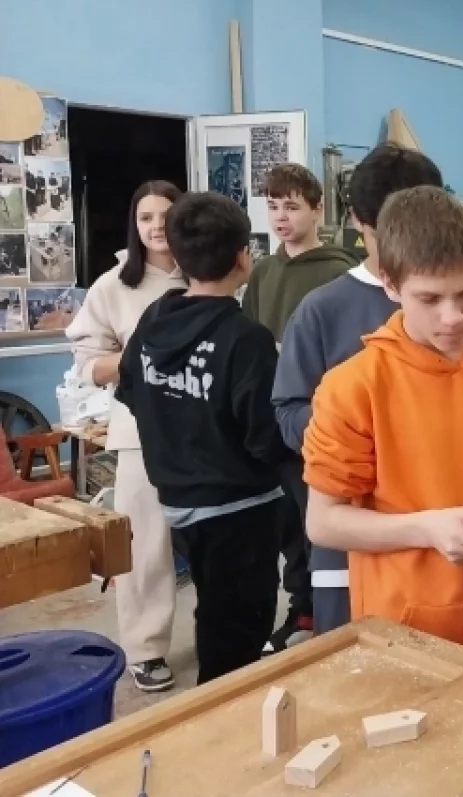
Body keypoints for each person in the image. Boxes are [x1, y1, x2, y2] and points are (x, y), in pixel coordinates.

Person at [303, 186, 463, 668]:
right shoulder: (353, 388)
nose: (453, 317)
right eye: (429, 298)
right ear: (389, 285)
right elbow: (323, 522)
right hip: (404, 637)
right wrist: (425, 528)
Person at [116, 191, 289, 685]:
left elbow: (130, 391)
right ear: (243, 258)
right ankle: (223, 713)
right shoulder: (246, 339)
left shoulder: (155, 319)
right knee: (238, 634)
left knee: (214, 609)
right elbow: (266, 438)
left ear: (177, 255)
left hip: (176, 500)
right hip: (239, 508)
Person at [272, 143, 444, 635]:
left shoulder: (456, 308)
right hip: (350, 545)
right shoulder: (323, 309)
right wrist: (368, 430)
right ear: (357, 222)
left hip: (446, 539)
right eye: (385, 234)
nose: (403, 249)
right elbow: (288, 413)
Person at [66, 180, 186, 693]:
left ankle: (226, 634)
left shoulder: (206, 271)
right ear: (134, 226)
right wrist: (139, 358)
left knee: (218, 540)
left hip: (208, 431)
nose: (157, 226)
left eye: (167, 215)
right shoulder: (113, 285)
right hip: (142, 433)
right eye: (146, 217)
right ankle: (145, 649)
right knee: (147, 547)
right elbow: (87, 364)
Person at [242, 163, 359, 656]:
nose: (280, 217)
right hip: (274, 419)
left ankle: (328, 612)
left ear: (317, 209)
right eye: (272, 206)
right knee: (287, 524)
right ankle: (301, 609)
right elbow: (249, 340)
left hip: (318, 418)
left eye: (291, 206)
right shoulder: (263, 272)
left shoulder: (337, 272)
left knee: (323, 523)